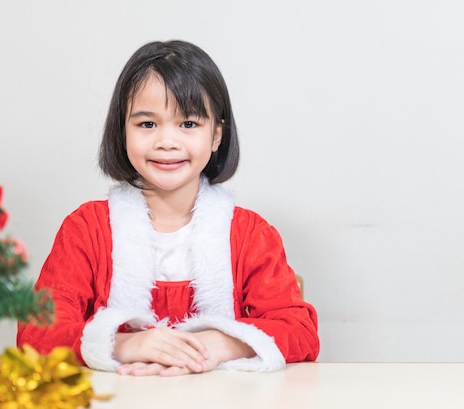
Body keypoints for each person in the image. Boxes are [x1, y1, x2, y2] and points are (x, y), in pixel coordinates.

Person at [17, 40, 319, 376]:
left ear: (217, 135)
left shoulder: (250, 234)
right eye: (147, 124)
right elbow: (35, 334)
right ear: (122, 131)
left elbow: (300, 332)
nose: (167, 142)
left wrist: (218, 344)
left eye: (188, 124)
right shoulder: (86, 229)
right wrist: (122, 345)